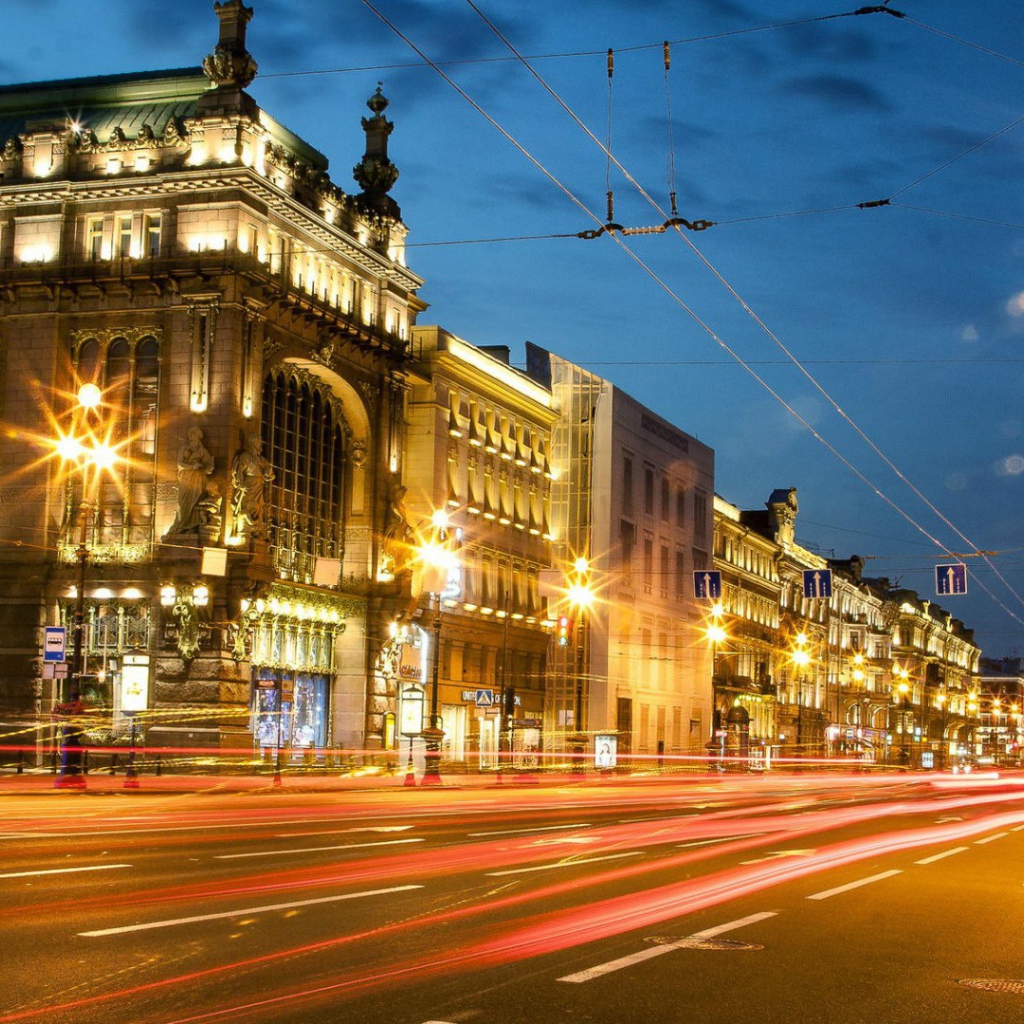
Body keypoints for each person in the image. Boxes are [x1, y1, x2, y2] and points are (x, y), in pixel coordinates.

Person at [166, 426, 213, 535]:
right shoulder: (184, 449)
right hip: (185, 477)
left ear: (198, 436)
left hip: (197, 478)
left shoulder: (202, 450)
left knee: (195, 500)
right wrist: (193, 466)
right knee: (183, 501)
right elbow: (180, 464)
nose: (191, 436)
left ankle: (192, 525)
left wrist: (208, 469)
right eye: (191, 433)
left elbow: (208, 463)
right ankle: (181, 524)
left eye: (194, 433)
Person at [231, 431, 274, 539]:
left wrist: (269, 472)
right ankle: (244, 529)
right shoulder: (246, 456)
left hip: (259, 485)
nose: (260, 445)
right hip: (248, 485)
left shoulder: (261, 460)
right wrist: (241, 483)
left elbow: (270, 474)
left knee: (259, 506)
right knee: (247, 505)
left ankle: (257, 529)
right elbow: (239, 470)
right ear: (254, 444)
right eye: (259, 443)